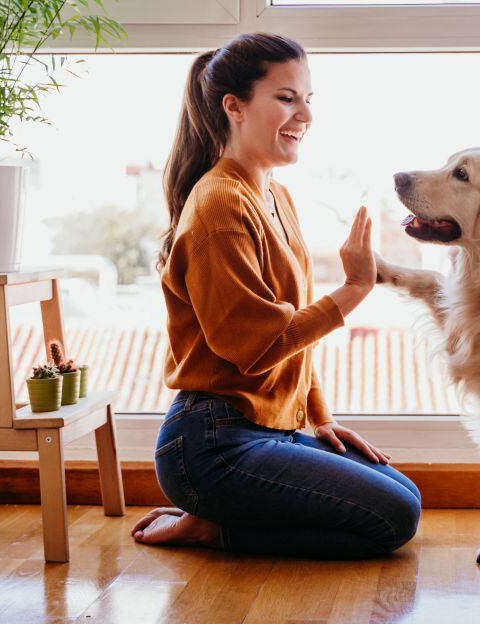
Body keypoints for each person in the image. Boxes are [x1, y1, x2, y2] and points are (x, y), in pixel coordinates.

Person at [131, 33, 421, 558]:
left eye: (308, 99)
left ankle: (220, 518)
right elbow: (258, 346)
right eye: (287, 98)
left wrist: (320, 417)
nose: (304, 115)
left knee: (405, 494)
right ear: (234, 107)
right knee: (395, 517)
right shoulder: (219, 205)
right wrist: (355, 288)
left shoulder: (274, 195)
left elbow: (294, 336)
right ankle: (211, 528)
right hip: (212, 444)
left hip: (270, 428)